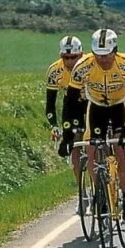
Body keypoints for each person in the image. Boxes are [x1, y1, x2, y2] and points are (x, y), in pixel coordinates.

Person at [60, 28, 125, 222]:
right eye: (98, 55)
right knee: (91, 148)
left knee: (120, 150)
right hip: (96, 107)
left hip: (120, 106)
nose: (103, 59)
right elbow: (70, 101)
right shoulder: (83, 66)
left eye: (107, 55)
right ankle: (100, 192)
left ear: (115, 51)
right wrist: (67, 134)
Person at [47, 36, 85, 194]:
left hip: (92, 103)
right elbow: (50, 103)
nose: (69, 61)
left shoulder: (89, 65)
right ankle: (82, 193)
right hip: (71, 107)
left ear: (81, 54)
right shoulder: (54, 70)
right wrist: (54, 125)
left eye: (73, 57)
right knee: (74, 147)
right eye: (65, 57)